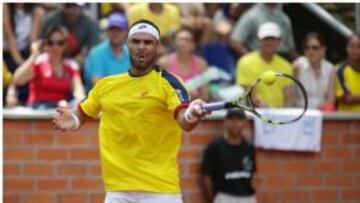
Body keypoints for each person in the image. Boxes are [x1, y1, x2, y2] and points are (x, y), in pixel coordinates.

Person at [52, 20, 208, 203]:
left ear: (157, 47)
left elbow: (185, 121)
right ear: (128, 44)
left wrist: (192, 114)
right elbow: (83, 111)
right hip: (117, 192)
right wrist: (74, 120)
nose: (141, 47)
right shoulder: (106, 85)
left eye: (148, 42)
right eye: (136, 41)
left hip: (161, 191)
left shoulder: (169, 83)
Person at [12, 26, 85, 109]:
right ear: (45, 44)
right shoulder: (38, 62)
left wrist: (79, 101)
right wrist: (33, 56)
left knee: (65, 105)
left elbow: (79, 90)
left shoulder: (71, 66)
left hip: (60, 110)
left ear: (65, 45)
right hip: (38, 109)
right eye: (50, 43)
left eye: (60, 43)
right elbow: (17, 80)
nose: (55, 47)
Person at [201, 110, 257, 203]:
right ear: (225, 121)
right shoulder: (215, 146)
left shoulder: (249, 147)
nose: (235, 123)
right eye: (231, 119)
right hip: (224, 197)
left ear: (244, 122)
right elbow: (206, 177)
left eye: (239, 119)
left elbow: (254, 175)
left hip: (247, 197)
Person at [236, 22, 293, 108]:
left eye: (273, 38)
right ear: (259, 40)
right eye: (266, 38)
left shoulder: (286, 65)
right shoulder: (245, 62)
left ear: (279, 41)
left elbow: (288, 97)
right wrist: (266, 109)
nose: (269, 42)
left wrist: (285, 115)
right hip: (254, 115)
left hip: (280, 115)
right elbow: (249, 93)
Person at [3, 3, 45, 106]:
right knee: (14, 77)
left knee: (31, 73)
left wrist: (32, 59)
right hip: (6, 55)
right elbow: (10, 38)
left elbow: (33, 39)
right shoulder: (4, 7)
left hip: (25, 54)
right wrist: (21, 63)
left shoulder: (37, 11)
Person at [158, 28, 210, 101]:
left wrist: (195, 97)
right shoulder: (164, 62)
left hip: (195, 106)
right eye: (180, 39)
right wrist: (183, 95)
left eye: (187, 39)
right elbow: (159, 93)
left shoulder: (202, 64)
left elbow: (205, 95)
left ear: (194, 44)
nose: (183, 42)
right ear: (174, 43)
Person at [231, 3, 297, 60]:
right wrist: (250, 58)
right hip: (259, 58)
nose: (270, 41)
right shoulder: (251, 15)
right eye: (267, 39)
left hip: (283, 59)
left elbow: (290, 48)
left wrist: (299, 60)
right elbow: (235, 41)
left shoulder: (284, 18)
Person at [84, 12, 131, 92]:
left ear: (126, 32)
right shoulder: (97, 53)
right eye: (112, 29)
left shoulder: (131, 52)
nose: (115, 33)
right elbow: (97, 85)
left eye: (119, 30)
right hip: (102, 100)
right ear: (107, 31)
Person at [292, 32, 336, 111]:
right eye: (307, 48)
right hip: (301, 113)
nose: (310, 51)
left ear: (323, 49)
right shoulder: (297, 66)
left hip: (322, 114)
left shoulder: (330, 68)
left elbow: (331, 98)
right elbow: (292, 96)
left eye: (315, 48)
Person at [336, 34, 360, 112]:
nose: (354, 50)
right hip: (346, 120)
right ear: (346, 48)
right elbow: (347, 98)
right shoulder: (340, 69)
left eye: (358, 47)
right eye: (352, 46)